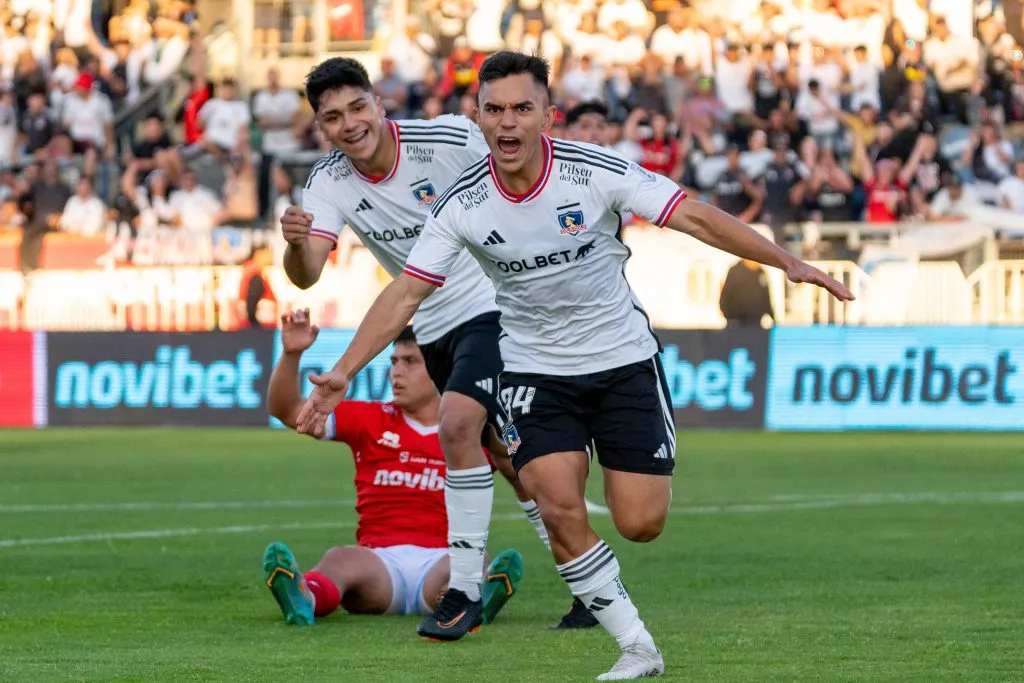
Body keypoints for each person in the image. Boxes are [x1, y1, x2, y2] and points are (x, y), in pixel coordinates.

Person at [293, 52, 854, 680]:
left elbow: (692, 214)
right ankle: (636, 646)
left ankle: (546, 578)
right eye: (495, 110)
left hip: (621, 360)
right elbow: (404, 294)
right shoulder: (460, 205)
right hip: (532, 367)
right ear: (477, 118)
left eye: (521, 109)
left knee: (640, 522)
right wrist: (342, 371)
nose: (507, 124)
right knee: (556, 504)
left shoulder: (595, 173)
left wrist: (788, 262)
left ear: (547, 116)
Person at [278, 57, 597, 636]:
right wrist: (296, 246)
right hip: (432, 328)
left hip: (496, 309)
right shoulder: (327, 180)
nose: (349, 124)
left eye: (357, 107)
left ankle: (463, 594)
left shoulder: (446, 137)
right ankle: (593, 586)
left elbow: (523, 168)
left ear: (379, 103)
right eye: (333, 117)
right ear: (321, 128)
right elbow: (306, 274)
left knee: (455, 425)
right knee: (508, 459)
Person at [264, 309, 523, 625]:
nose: (396, 372)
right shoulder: (370, 419)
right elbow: (287, 410)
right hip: (379, 564)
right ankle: (306, 596)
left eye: (410, 362)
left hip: (444, 557)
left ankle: (466, 598)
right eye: (394, 362)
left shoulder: (470, 430)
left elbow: (525, 477)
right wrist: (292, 354)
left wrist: (502, 450)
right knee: (340, 559)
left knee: (472, 563)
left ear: (442, 367)